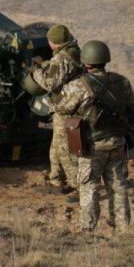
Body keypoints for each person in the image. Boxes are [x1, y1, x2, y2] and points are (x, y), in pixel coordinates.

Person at [55, 40, 134, 232]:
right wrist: (126, 129)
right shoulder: (122, 81)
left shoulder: (79, 85)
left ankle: (89, 232)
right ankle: (123, 231)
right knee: (118, 187)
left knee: (89, 188)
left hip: (91, 147)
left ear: (86, 62)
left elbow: (61, 107)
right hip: (117, 143)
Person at [28, 24, 83, 193]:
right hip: (71, 105)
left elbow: (51, 83)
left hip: (67, 108)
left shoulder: (62, 58)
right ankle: (55, 178)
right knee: (57, 145)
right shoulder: (74, 52)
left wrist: (36, 71)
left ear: (54, 42)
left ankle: (76, 185)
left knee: (66, 148)